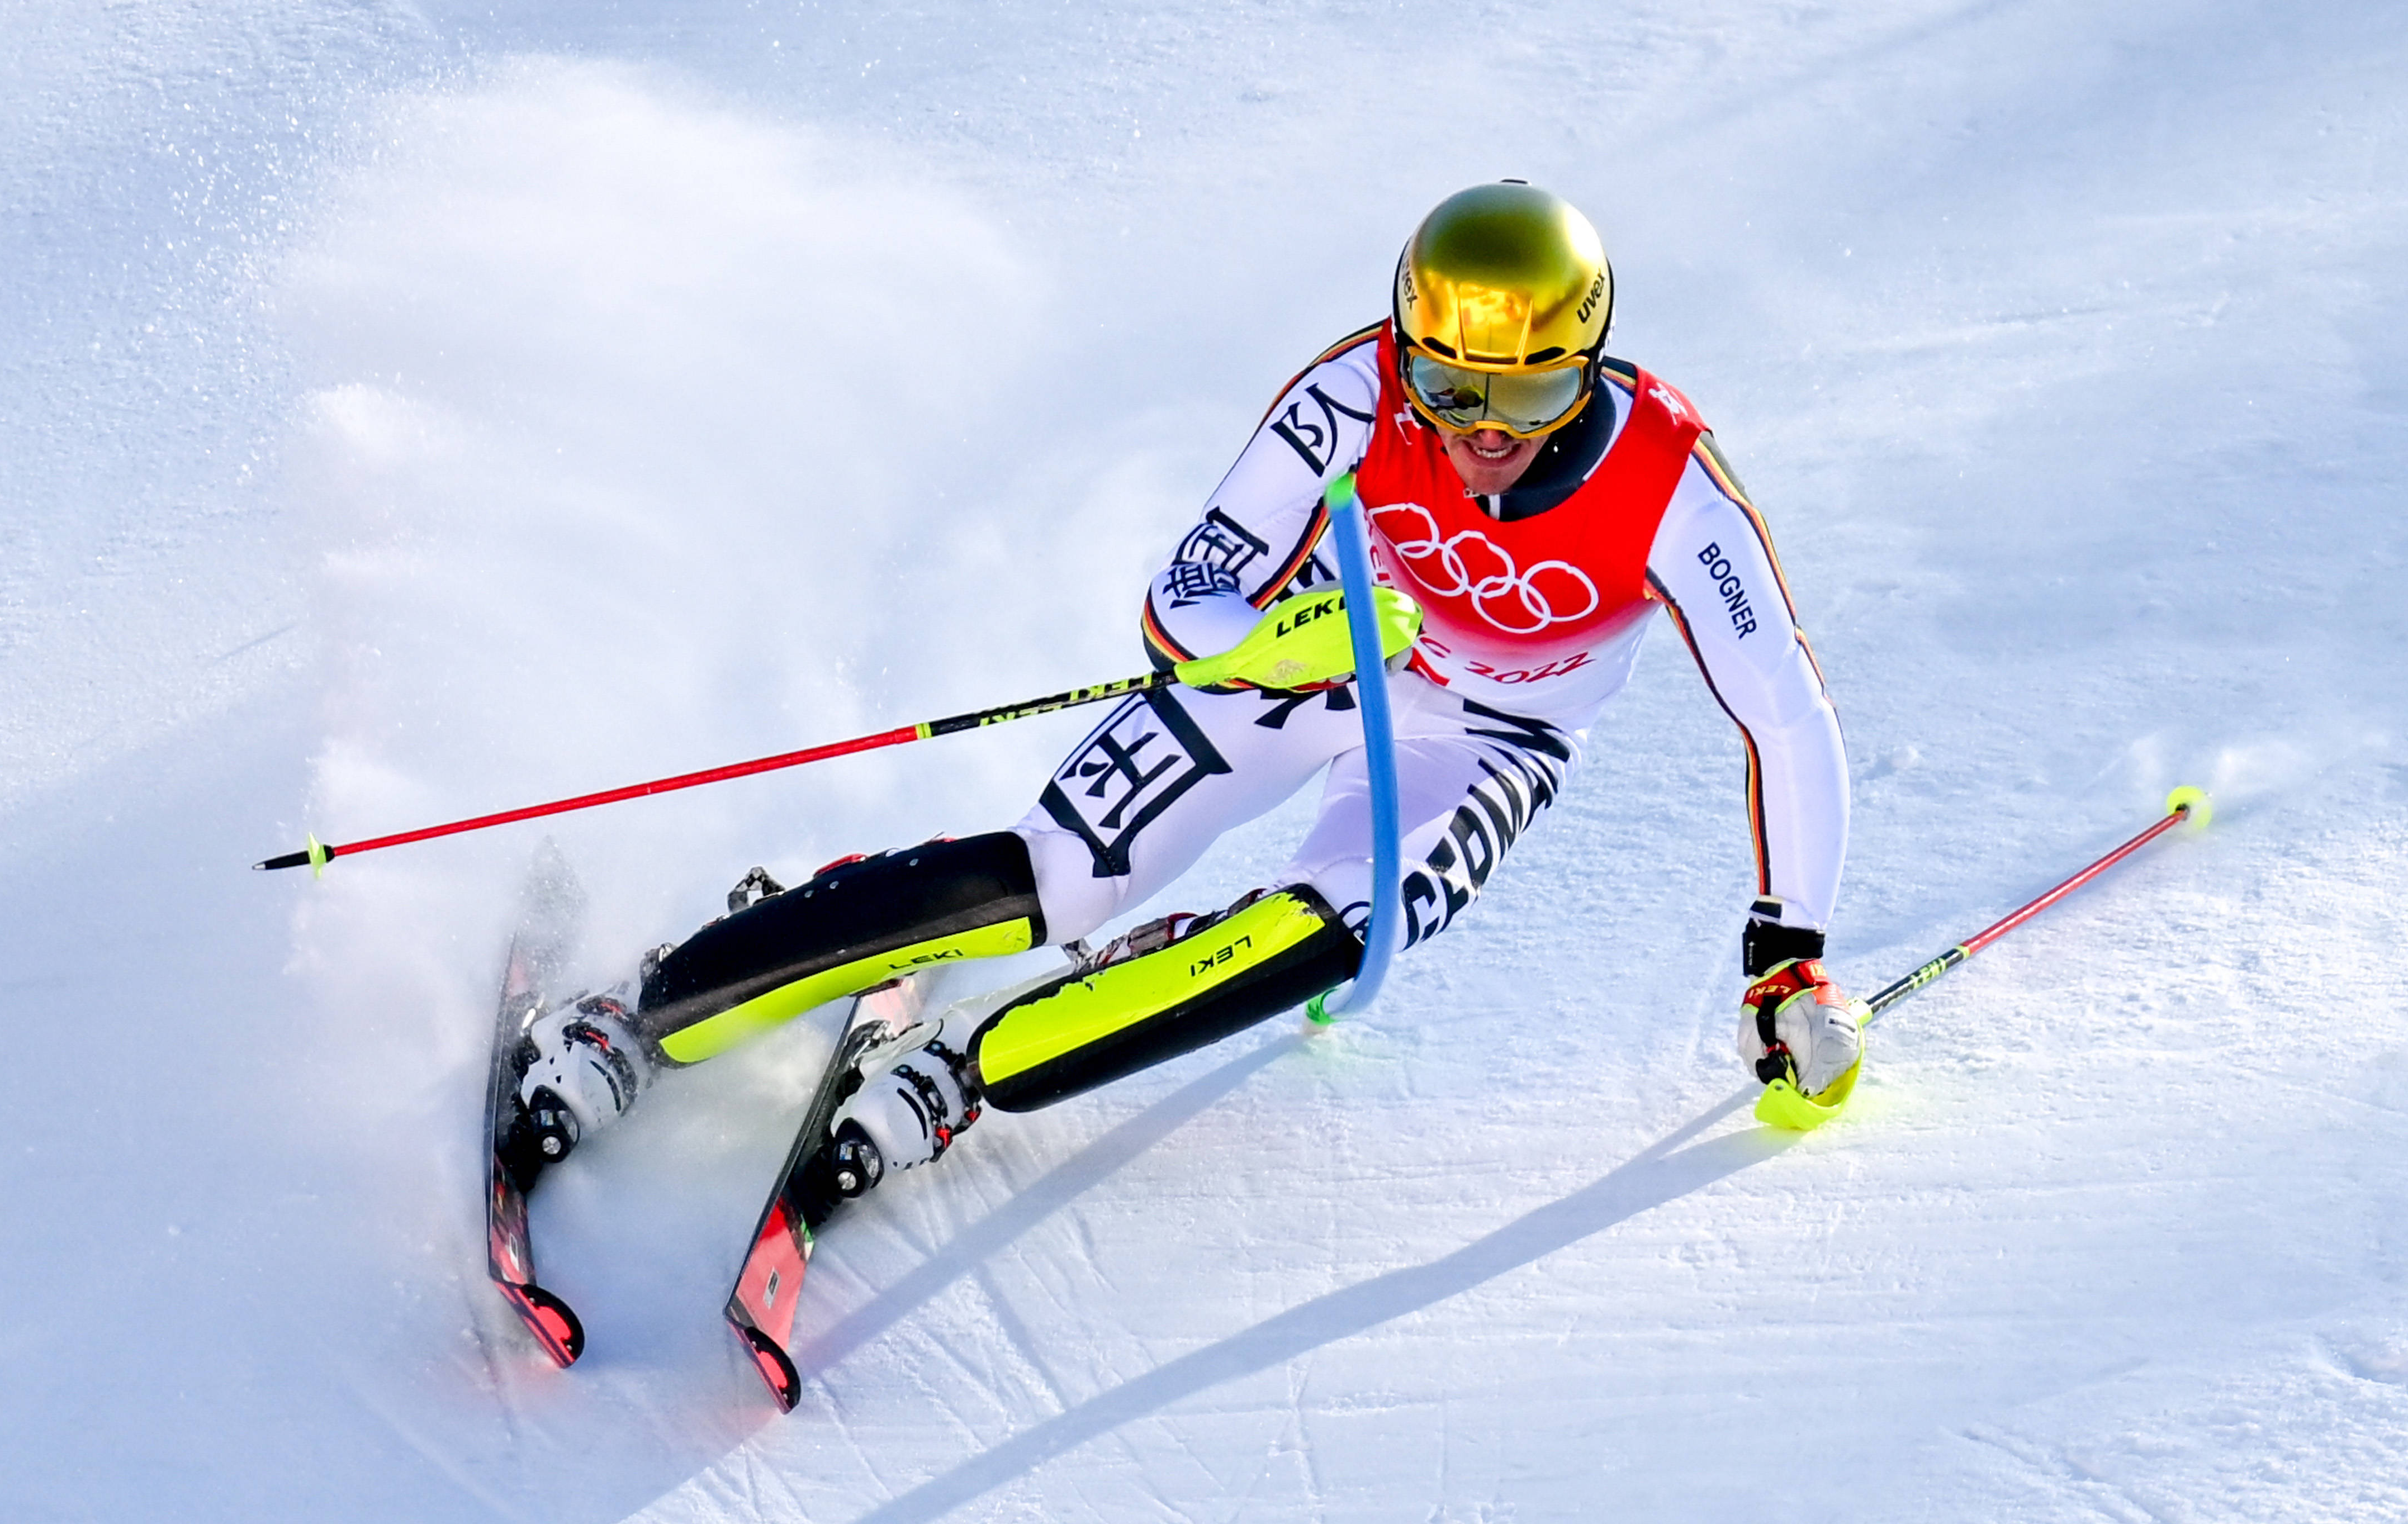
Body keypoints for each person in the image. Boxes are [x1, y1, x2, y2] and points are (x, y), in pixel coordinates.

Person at [499, 181, 1861, 1194]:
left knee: (1336, 931)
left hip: (1490, 735)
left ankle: (973, 1066)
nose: (1482, 435)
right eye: (1448, 385)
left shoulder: (1672, 486)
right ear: (1407, 351)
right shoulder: (1350, 395)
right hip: (1314, 666)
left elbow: (1784, 719)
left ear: (1591, 361)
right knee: (1049, 882)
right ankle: (645, 1008)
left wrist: (1786, 962)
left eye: (1532, 393)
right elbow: (1186, 594)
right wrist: (1275, 642)